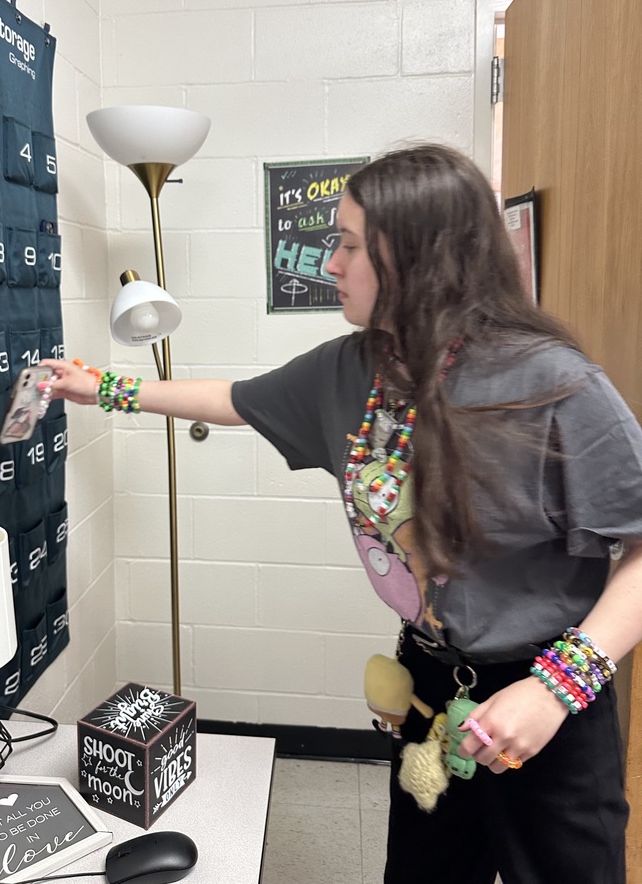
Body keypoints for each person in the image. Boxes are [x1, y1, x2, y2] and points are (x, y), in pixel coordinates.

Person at [41, 143, 642, 884]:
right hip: (429, 685)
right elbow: (232, 400)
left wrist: (556, 688)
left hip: (546, 689)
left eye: (351, 245)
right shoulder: (353, 367)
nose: (330, 264)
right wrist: (104, 388)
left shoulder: (553, 384)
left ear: (419, 256)